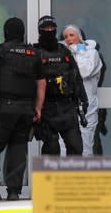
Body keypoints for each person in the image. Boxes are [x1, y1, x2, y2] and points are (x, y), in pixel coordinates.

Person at [0, 17, 46, 201]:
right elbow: (41, 84)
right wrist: (38, 108)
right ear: (22, 33)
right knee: (18, 149)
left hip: (2, 108)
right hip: (25, 110)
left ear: (5, 33)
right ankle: (13, 192)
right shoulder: (34, 54)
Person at [33, 16, 87, 156]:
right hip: (46, 108)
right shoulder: (35, 52)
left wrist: (83, 98)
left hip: (66, 106)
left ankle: (71, 178)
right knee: (52, 148)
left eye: (52, 28)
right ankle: (49, 178)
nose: (49, 31)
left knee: (75, 147)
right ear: (40, 31)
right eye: (46, 28)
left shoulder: (64, 51)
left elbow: (76, 76)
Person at [61, 25, 103, 156]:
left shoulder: (92, 53)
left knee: (85, 145)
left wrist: (79, 52)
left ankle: (84, 176)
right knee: (63, 145)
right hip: (67, 106)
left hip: (87, 107)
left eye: (71, 35)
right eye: (65, 37)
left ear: (80, 36)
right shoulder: (63, 55)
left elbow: (84, 71)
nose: (68, 39)